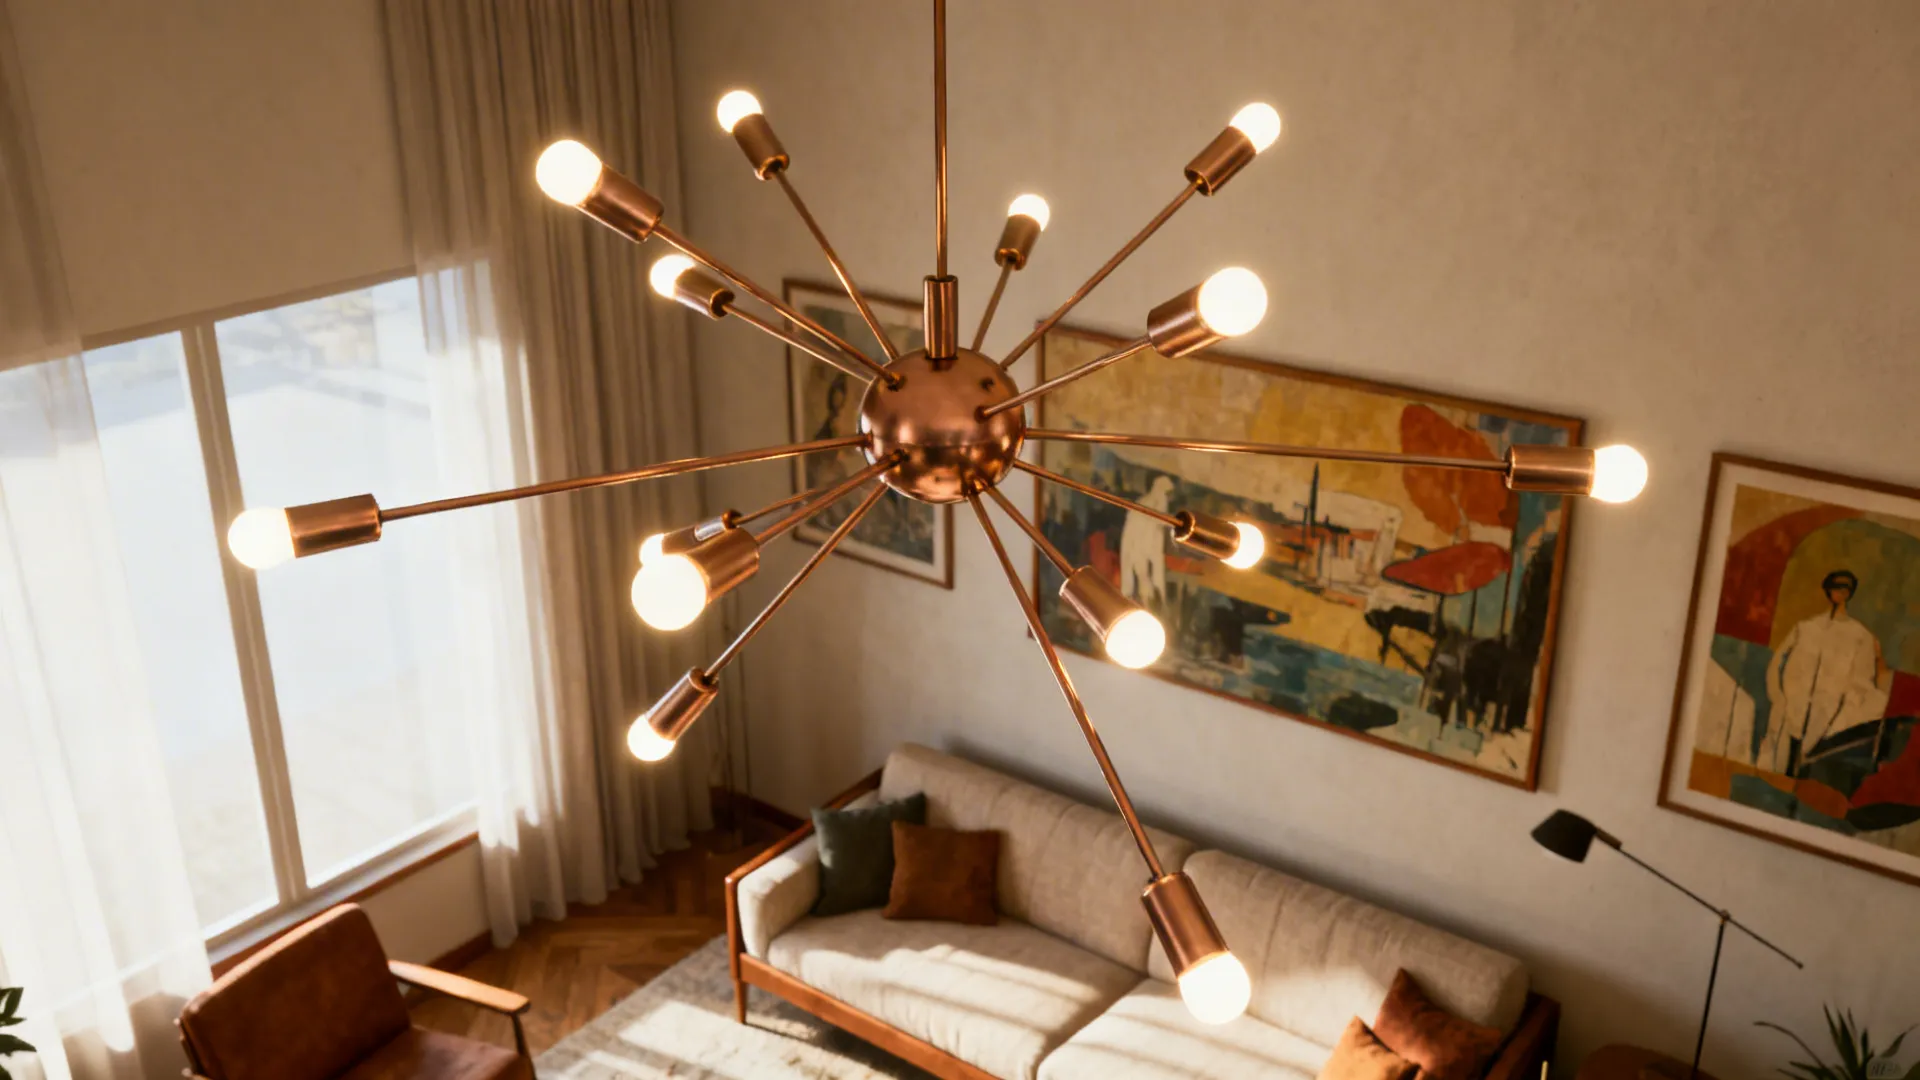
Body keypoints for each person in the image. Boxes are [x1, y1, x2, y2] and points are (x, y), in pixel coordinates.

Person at [1761, 569, 1892, 776]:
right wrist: (1779, 699)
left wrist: (1838, 722)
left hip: (1827, 723)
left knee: (1808, 770)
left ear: (1851, 592)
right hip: (1790, 715)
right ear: (1828, 590)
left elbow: (1861, 685)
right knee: (1779, 767)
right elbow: (1775, 665)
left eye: (1845, 588)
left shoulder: (1861, 636)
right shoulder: (1805, 628)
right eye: (1836, 587)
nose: (1840, 592)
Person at [1119, 476, 1174, 608]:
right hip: (1138, 544)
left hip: (1139, 544)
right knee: (1144, 576)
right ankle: (1148, 605)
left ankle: (1150, 604)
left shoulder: (1145, 501)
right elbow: (1158, 520)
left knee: (1144, 576)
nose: (1169, 498)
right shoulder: (1155, 501)